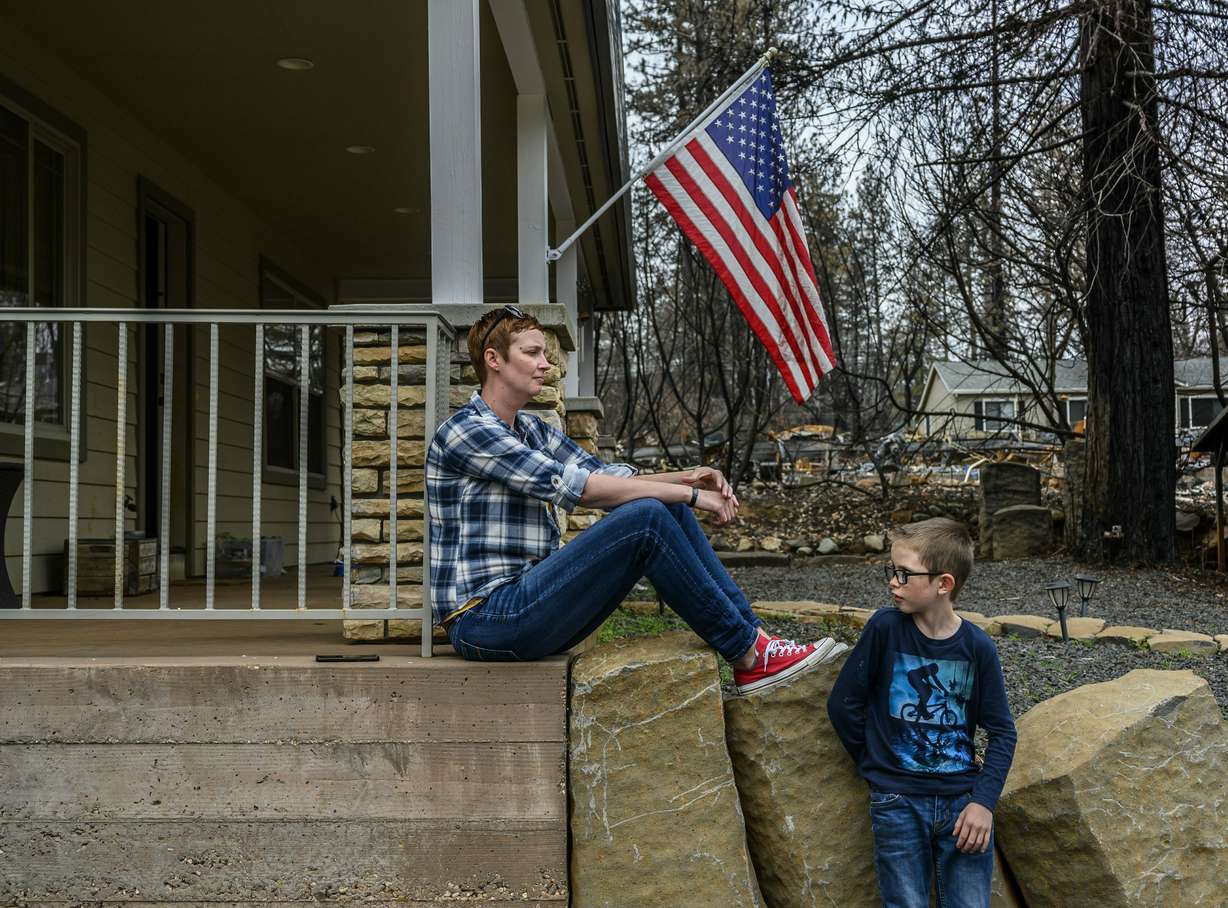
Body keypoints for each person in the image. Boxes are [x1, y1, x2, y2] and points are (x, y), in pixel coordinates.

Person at [425, 305, 846, 693]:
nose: (545, 364)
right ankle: (749, 654)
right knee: (648, 516)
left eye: (545, 354)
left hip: (529, 603)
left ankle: (756, 643)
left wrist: (687, 478)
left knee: (666, 510)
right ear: (495, 360)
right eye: (532, 352)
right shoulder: (467, 431)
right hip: (485, 619)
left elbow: (601, 476)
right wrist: (693, 494)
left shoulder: (532, 431)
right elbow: (580, 489)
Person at [826, 519, 1017, 907]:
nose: (892, 582)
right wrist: (875, 762)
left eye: (903, 574)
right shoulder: (885, 629)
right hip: (896, 803)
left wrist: (983, 802)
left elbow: (1002, 732)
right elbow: (844, 704)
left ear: (943, 584)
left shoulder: (978, 649)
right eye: (891, 572)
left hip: (963, 808)